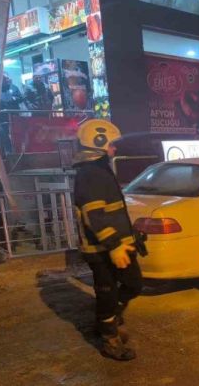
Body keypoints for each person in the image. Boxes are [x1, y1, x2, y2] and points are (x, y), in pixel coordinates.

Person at [73, 119, 142, 361]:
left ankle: (110, 319)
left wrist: (130, 239)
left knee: (133, 284)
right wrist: (114, 245)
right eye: (112, 145)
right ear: (99, 145)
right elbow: (95, 216)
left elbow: (111, 212)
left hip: (117, 246)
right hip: (102, 250)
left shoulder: (99, 172)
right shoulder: (90, 174)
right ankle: (110, 339)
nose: (115, 149)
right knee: (107, 293)